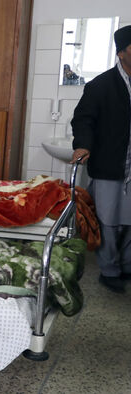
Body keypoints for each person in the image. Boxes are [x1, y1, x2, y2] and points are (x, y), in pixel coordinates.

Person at [71, 24, 131, 293]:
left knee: (129, 222)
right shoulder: (101, 85)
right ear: (121, 53)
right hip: (109, 164)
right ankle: (109, 270)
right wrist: (83, 146)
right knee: (108, 221)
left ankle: (127, 265)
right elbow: (83, 120)